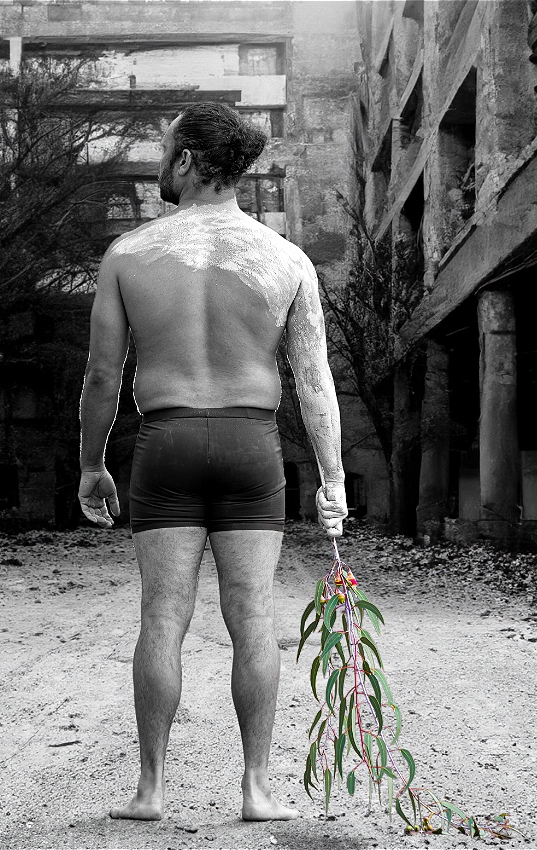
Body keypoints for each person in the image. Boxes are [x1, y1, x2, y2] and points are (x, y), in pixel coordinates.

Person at [78, 102, 348, 823]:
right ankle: (256, 789)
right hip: (249, 445)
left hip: (164, 442)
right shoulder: (285, 259)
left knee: (161, 618)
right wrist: (332, 476)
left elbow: (103, 376)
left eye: (166, 150)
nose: (160, 162)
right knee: (252, 619)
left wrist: (91, 465)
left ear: (190, 161)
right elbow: (313, 379)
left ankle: (149, 790)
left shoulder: (129, 255)